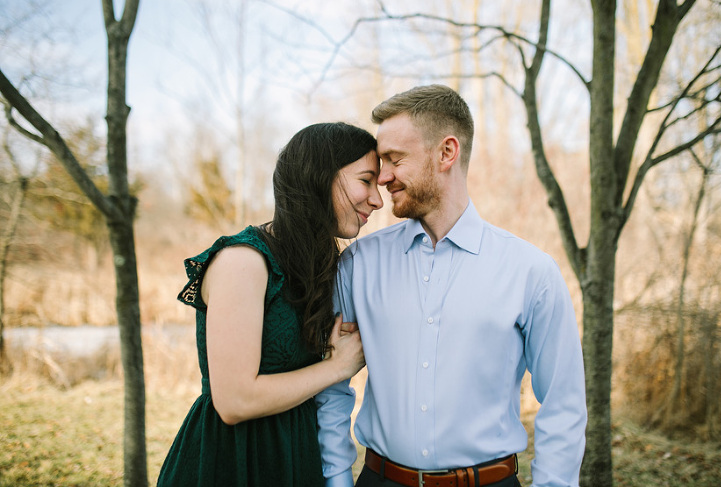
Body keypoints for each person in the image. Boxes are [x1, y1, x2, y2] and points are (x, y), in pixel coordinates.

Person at [316, 85, 588, 487]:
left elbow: (563, 405)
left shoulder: (531, 272)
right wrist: (336, 482)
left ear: (447, 152)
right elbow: (332, 389)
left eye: (394, 159)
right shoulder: (358, 264)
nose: (383, 177)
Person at [158, 122, 384, 487]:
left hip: (296, 457)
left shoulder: (320, 265)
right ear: (320, 177)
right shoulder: (243, 261)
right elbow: (233, 402)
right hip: (233, 461)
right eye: (365, 180)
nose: (377, 199)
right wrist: (337, 367)